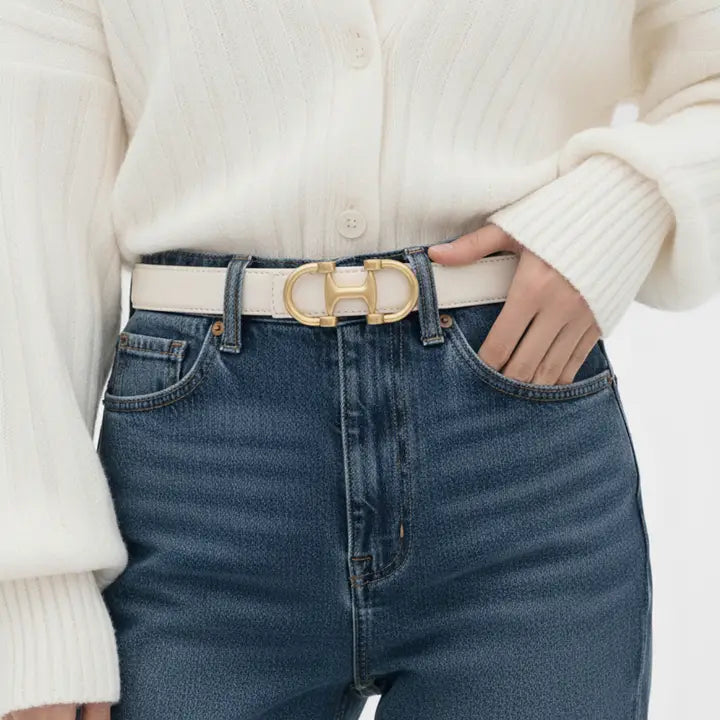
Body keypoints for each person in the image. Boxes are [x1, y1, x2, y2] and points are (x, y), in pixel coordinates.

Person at [1, 1, 718, 719]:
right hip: (201, 477)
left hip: (518, 445)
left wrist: (628, 200)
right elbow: (29, 204)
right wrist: (33, 601)